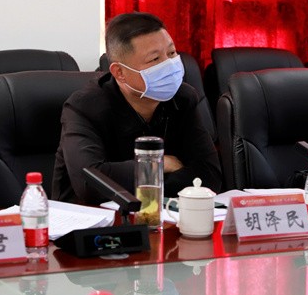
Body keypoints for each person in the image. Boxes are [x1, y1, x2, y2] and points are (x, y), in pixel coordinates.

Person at [52, 12, 221, 204]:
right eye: (154, 59)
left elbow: (209, 175)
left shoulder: (182, 98)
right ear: (120, 72)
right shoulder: (84, 108)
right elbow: (90, 183)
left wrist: (142, 182)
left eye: (172, 53)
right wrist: (158, 165)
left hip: (162, 214)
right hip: (93, 218)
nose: (169, 65)